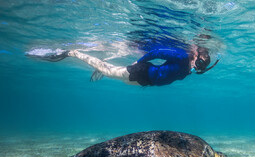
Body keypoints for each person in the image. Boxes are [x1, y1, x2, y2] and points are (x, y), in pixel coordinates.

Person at [26, 45, 219, 86]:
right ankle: (70, 52)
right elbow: (158, 51)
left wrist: (196, 68)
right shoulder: (180, 55)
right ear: (195, 54)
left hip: (144, 81)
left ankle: (102, 66)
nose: (198, 67)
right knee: (105, 71)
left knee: (109, 71)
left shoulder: (191, 67)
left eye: (201, 67)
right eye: (199, 62)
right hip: (141, 72)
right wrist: (139, 61)